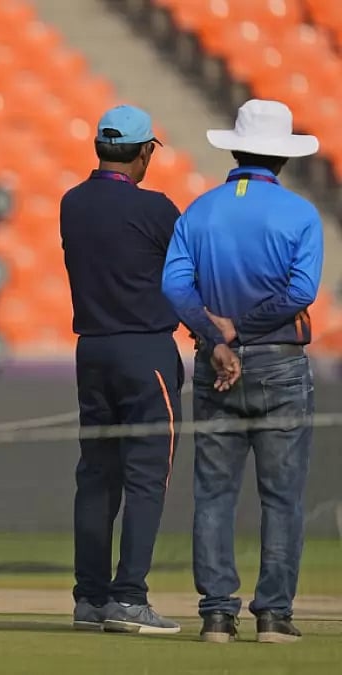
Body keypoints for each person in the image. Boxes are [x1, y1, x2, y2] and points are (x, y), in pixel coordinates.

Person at [162, 99, 322, 644]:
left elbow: (175, 287)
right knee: (282, 497)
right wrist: (242, 331)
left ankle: (216, 615)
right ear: (283, 157)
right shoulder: (300, 214)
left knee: (214, 494)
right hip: (280, 363)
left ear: (235, 151)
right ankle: (273, 615)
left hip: (216, 366)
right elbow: (301, 292)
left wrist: (217, 338)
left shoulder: (199, 211)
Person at [59, 104, 183, 635]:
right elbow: (187, 274)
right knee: (146, 478)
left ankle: (89, 599)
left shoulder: (72, 202)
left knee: (96, 476)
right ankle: (129, 598)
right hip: (144, 350)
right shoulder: (156, 209)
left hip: (92, 351)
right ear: (144, 152)